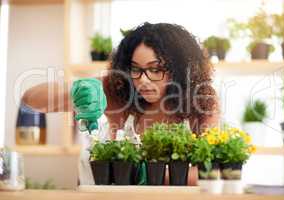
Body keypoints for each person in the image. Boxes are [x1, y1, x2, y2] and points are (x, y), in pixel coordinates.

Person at [22, 22, 219, 185]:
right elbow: (30, 100)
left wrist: (143, 174)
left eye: (155, 69)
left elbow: (212, 172)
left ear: (180, 69)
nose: (143, 80)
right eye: (136, 69)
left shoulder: (201, 102)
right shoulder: (117, 91)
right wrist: (76, 91)